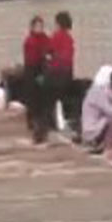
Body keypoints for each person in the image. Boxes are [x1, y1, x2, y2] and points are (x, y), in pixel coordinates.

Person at [80, 64, 112, 154]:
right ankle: (106, 145)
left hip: (97, 127)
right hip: (91, 131)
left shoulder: (101, 90)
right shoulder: (97, 92)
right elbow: (110, 111)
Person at [21, 15, 52, 143]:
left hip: (43, 71)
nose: (40, 28)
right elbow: (31, 59)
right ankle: (36, 128)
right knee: (34, 103)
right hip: (32, 71)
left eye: (41, 26)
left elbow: (50, 52)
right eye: (37, 26)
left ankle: (42, 129)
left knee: (42, 103)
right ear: (33, 27)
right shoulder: (30, 41)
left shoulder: (45, 39)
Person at [49, 10, 78, 138]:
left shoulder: (57, 36)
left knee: (56, 99)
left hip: (57, 72)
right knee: (66, 99)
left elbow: (50, 53)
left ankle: (58, 124)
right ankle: (66, 122)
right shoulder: (69, 37)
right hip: (67, 71)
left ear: (58, 23)